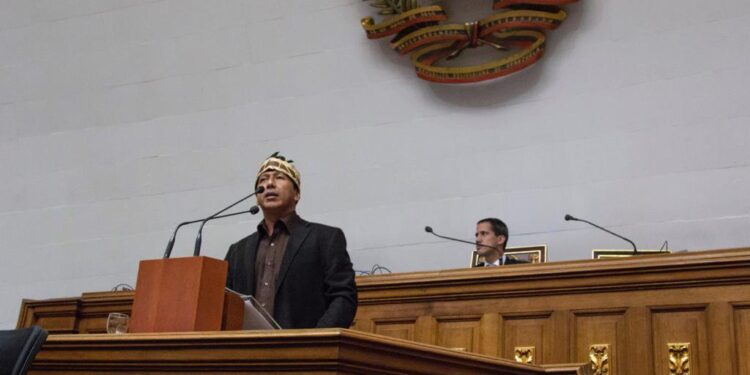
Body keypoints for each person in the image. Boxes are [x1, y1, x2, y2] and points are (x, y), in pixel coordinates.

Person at [224, 152, 357, 328]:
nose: (269, 184)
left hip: (304, 350)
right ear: (257, 197)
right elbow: (224, 303)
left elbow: (343, 297)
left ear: (297, 194)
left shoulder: (325, 238)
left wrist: (318, 342)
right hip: (246, 350)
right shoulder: (237, 251)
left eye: (279, 178)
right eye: (263, 180)